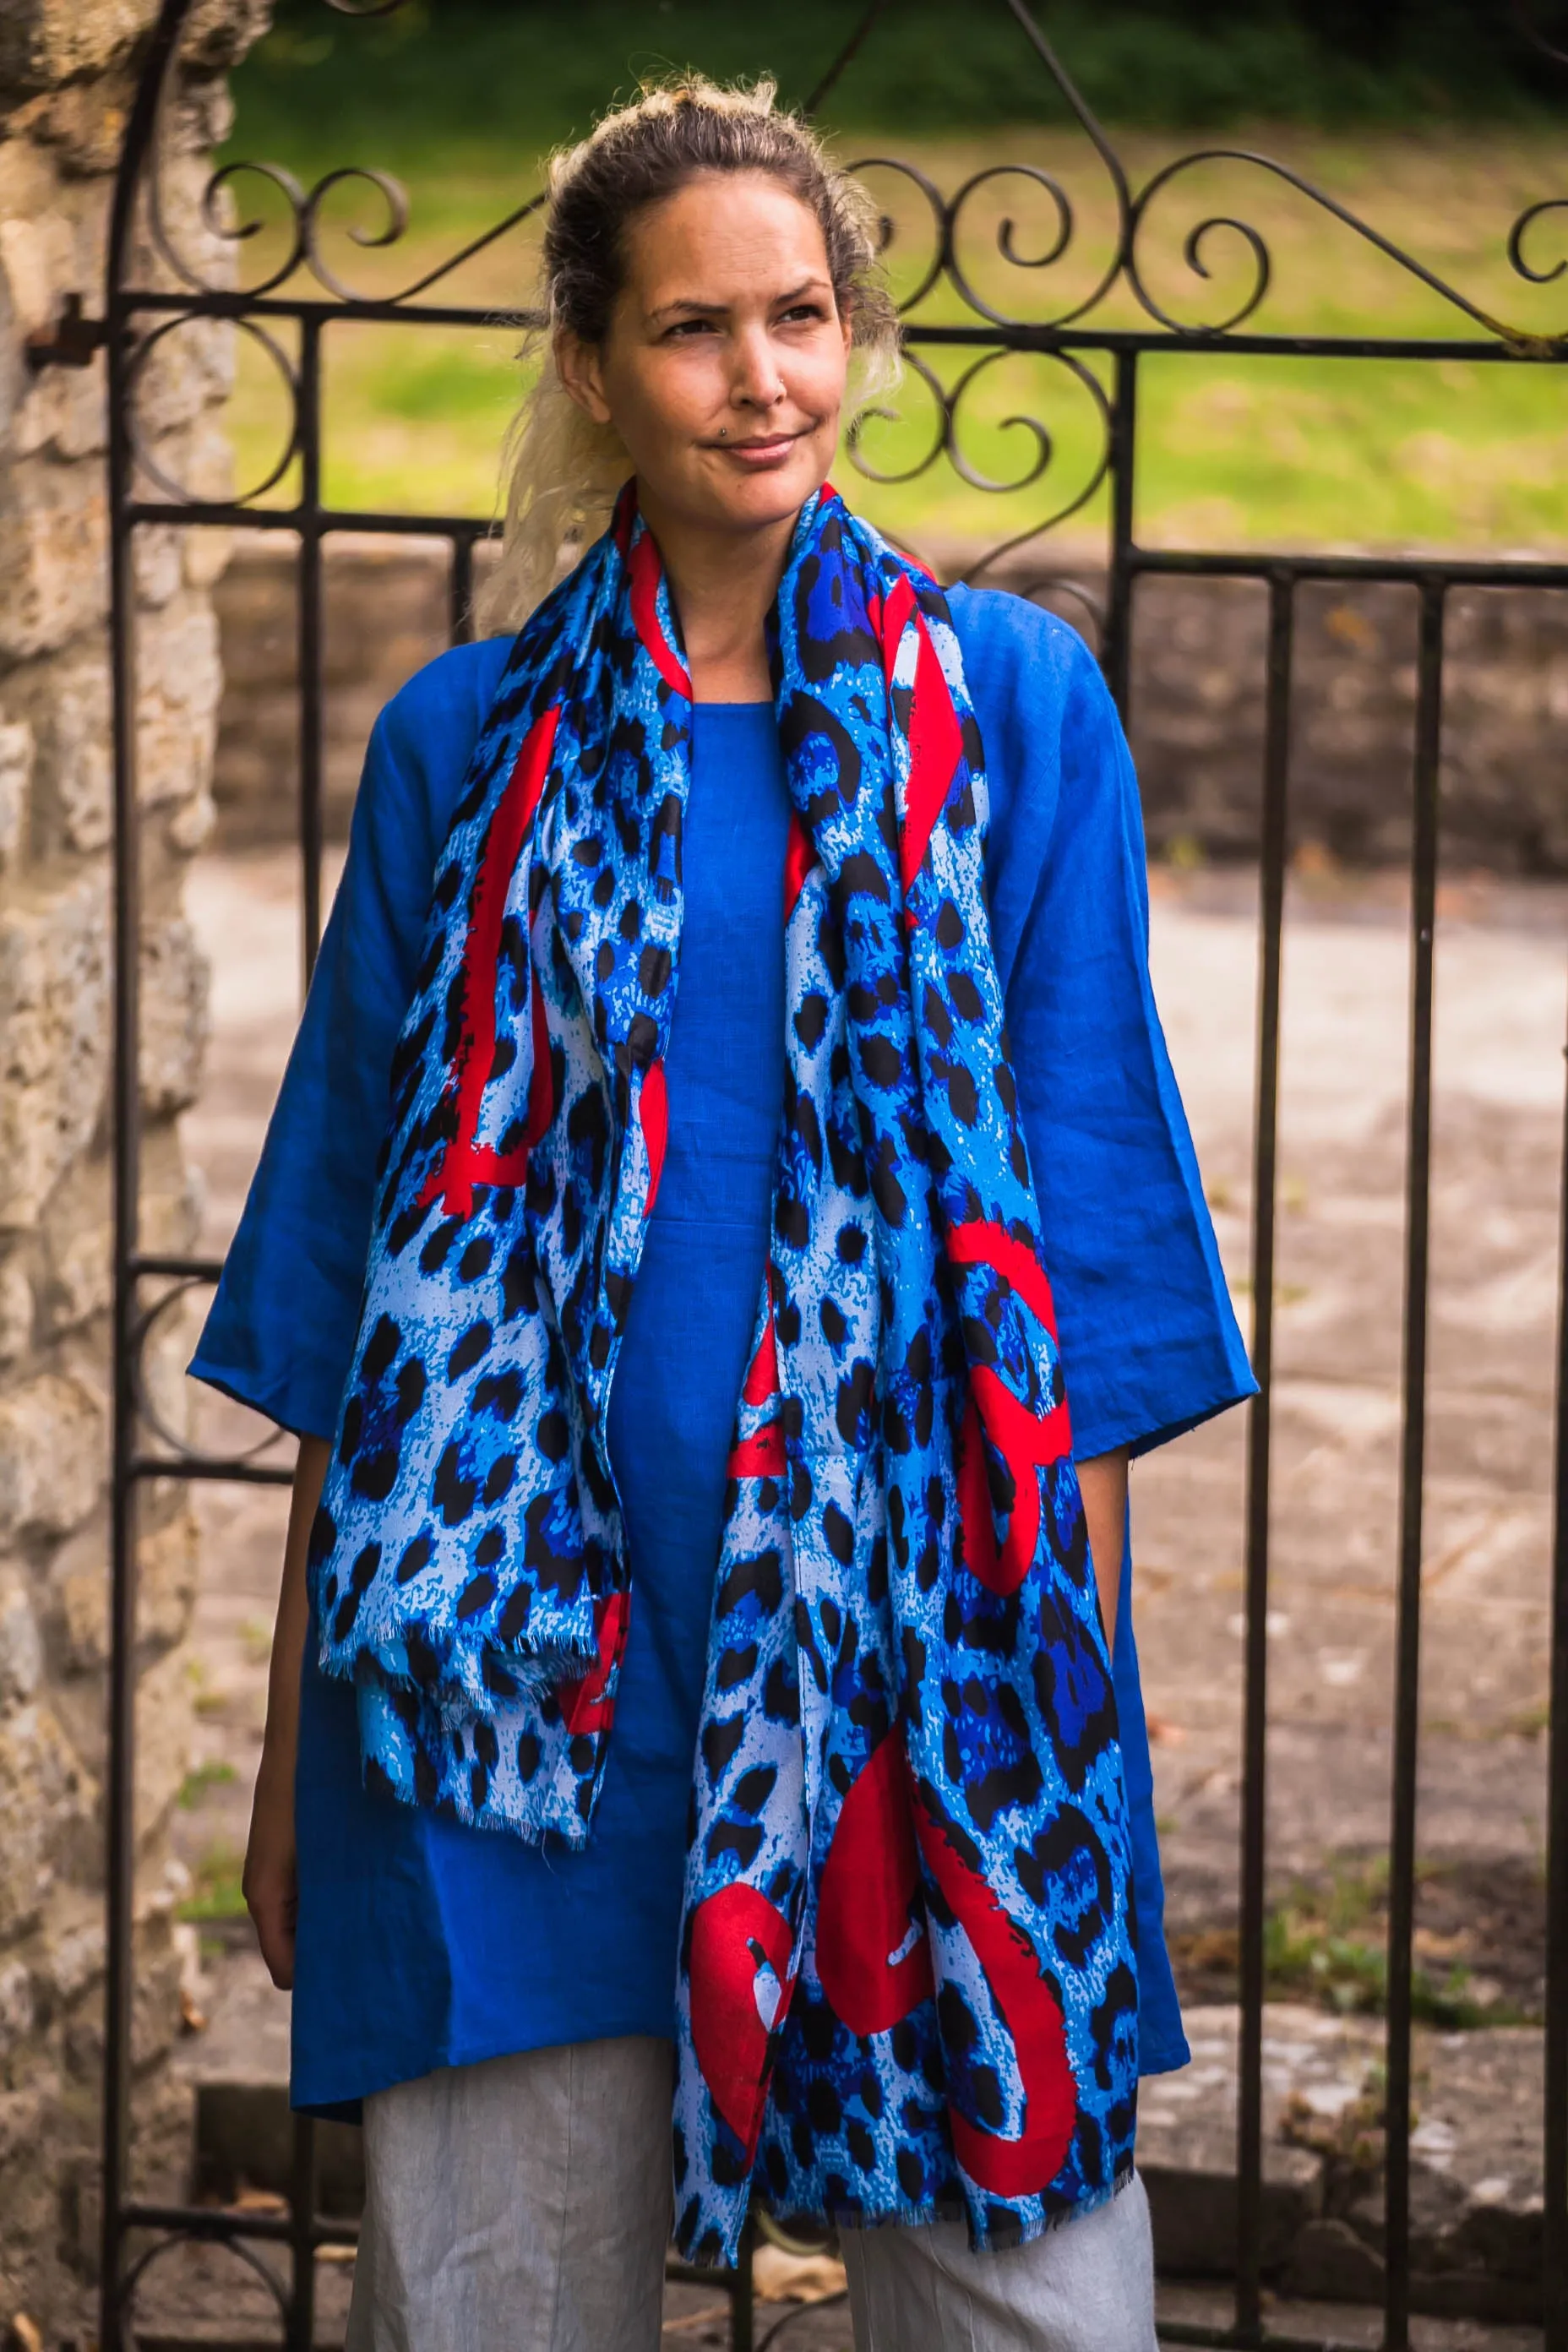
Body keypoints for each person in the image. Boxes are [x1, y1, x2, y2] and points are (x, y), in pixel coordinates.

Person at [193, 75, 1253, 2352]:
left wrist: (1054, 1724)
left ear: (856, 337)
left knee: (1034, 2315)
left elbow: (1072, 1280)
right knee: (485, 2316)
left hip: (917, 1683)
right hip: (504, 1691)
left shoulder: (1019, 715)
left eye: (798, 317)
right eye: (693, 329)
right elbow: (353, 1306)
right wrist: (295, 1754)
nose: (758, 378)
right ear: (592, 368)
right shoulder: (460, 749)